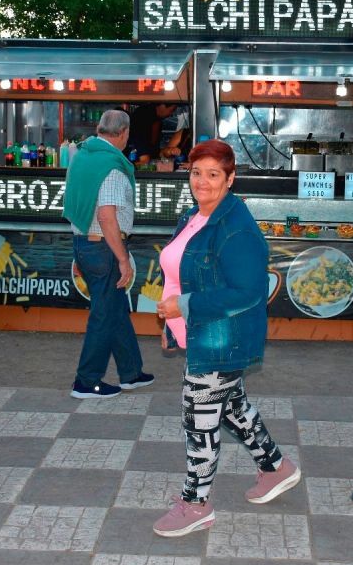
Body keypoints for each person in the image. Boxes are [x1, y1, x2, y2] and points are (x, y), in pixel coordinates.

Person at [152, 139, 299, 537]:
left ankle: (196, 502)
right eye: (196, 172)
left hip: (221, 340)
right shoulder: (195, 215)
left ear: (230, 178)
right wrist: (173, 324)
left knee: (198, 419)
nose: (203, 181)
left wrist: (184, 307)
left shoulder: (237, 228)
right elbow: (178, 274)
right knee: (233, 407)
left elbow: (248, 291)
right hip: (200, 334)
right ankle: (276, 468)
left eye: (213, 174)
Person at [61, 108, 153, 399]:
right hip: (103, 246)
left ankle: (131, 372)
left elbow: (79, 206)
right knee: (103, 314)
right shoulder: (112, 166)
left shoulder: (81, 156)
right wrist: (124, 258)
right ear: (124, 133)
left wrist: (81, 250)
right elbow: (106, 216)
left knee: (114, 308)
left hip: (84, 244)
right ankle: (86, 381)